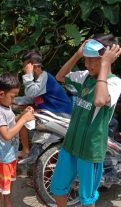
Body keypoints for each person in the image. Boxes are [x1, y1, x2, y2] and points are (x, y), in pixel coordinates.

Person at [51, 34, 121, 207]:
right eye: (86, 60)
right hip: (70, 145)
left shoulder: (114, 83)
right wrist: (77, 54)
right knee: (58, 187)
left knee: (87, 197)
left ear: (106, 60)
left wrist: (104, 65)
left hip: (91, 151)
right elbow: (60, 77)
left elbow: (99, 100)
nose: (88, 64)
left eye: (93, 61)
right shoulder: (84, 77)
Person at [0, 72, 34, 207]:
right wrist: (24, 120)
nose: (14, 100)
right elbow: (6, 135)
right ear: (1, 94)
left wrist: (22, 115)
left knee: (7, 186)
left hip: (9, 154)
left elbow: (11, 123)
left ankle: (7, 203)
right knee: (0, 186)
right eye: (12, 96)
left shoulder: (5, 106)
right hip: (3, 157)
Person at [16, 51, 72, 160]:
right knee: (23, 120)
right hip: (49, 115)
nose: (24, 70)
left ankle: (27, 151)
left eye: (26, 67)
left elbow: (31, 92)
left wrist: (27, 75)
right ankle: (29, 152)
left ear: (35, 66)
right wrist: (13, 99)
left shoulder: (45, 77)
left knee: (22, 120)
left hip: (59, 115)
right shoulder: (39, 79)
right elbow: (31, 97)